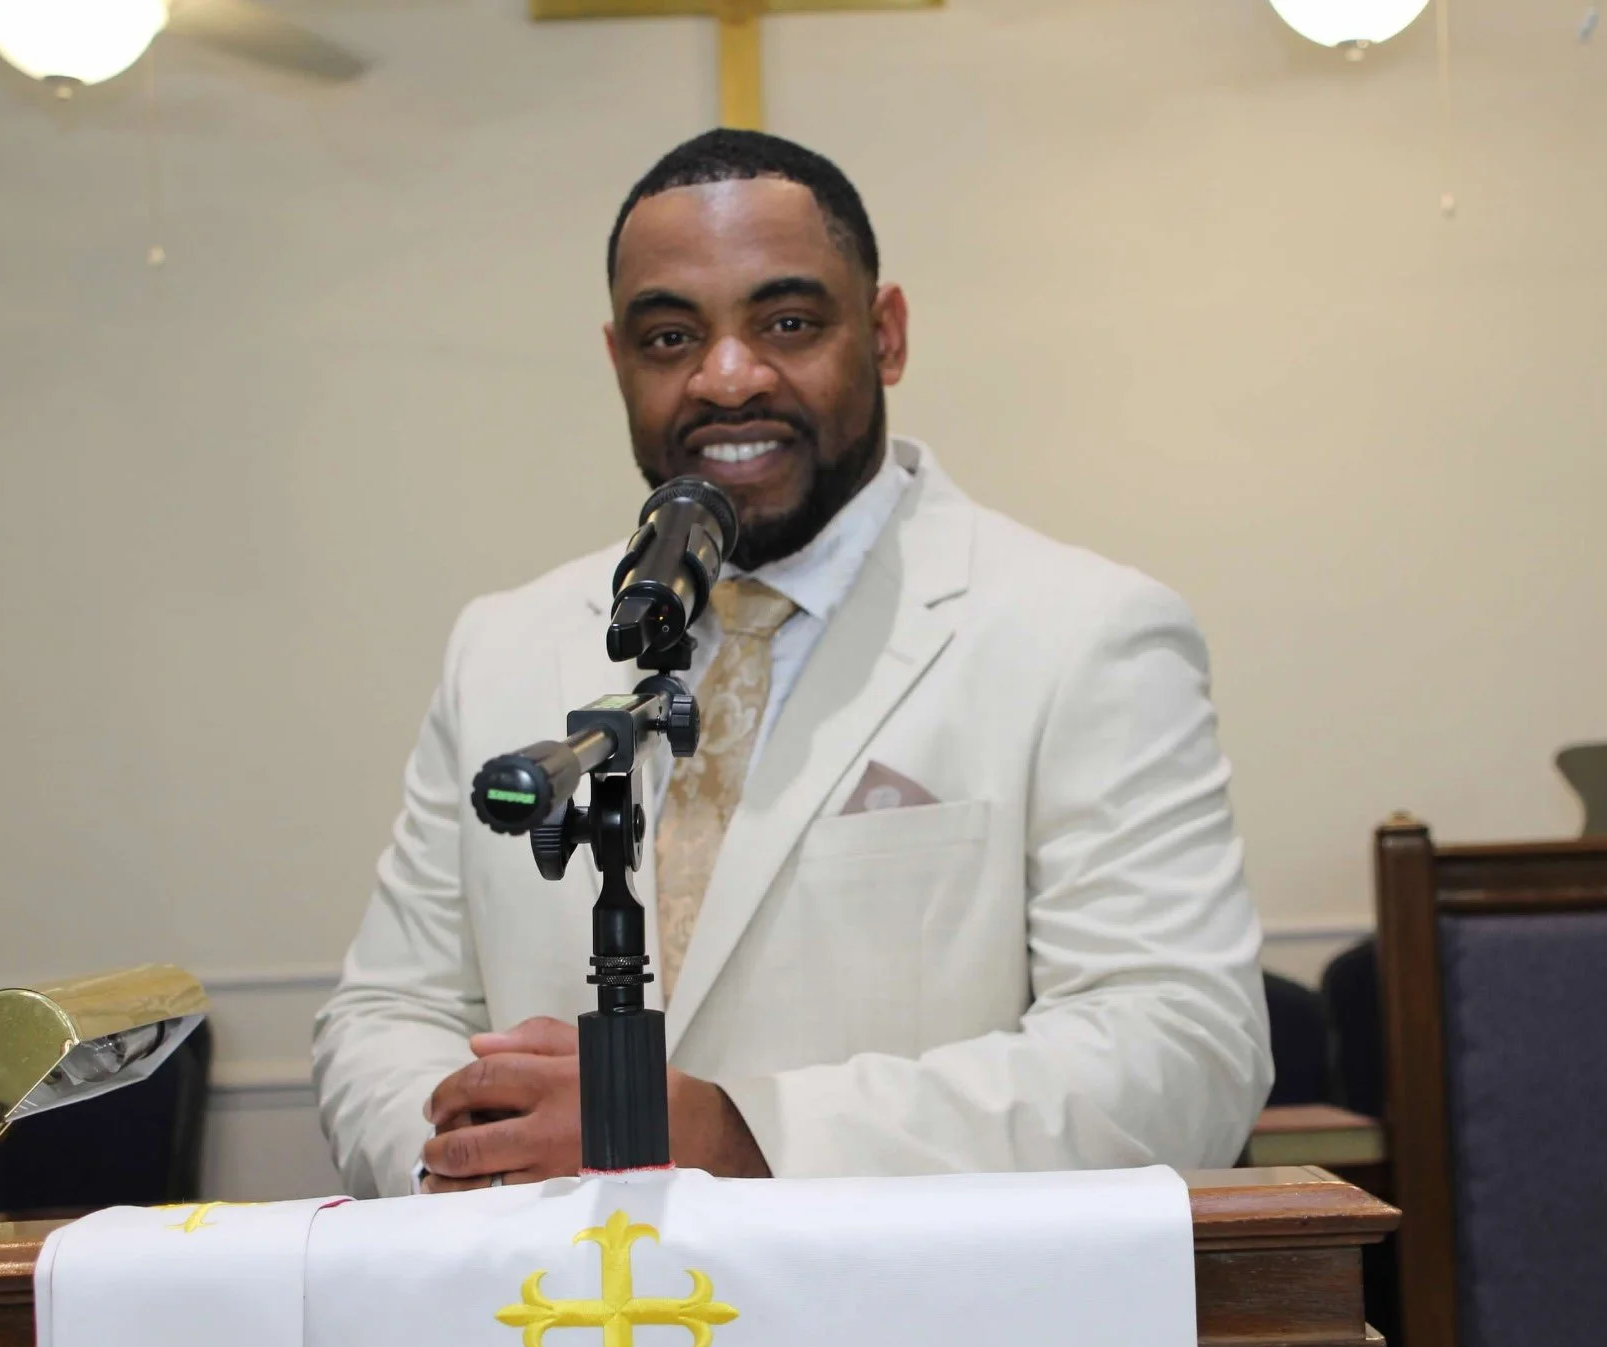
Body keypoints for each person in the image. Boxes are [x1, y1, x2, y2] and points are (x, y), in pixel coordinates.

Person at [312, 130, 1272, 1197]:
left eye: (787, 323)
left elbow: (1183, 1049)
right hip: (548, 1286)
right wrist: (461, 1162)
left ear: (886, 334)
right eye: (670, 337)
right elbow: (387, 1014)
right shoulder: (504, 642)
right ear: (619, 360)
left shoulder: (1082, 630)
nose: (728, 377)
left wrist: (738, 1135)